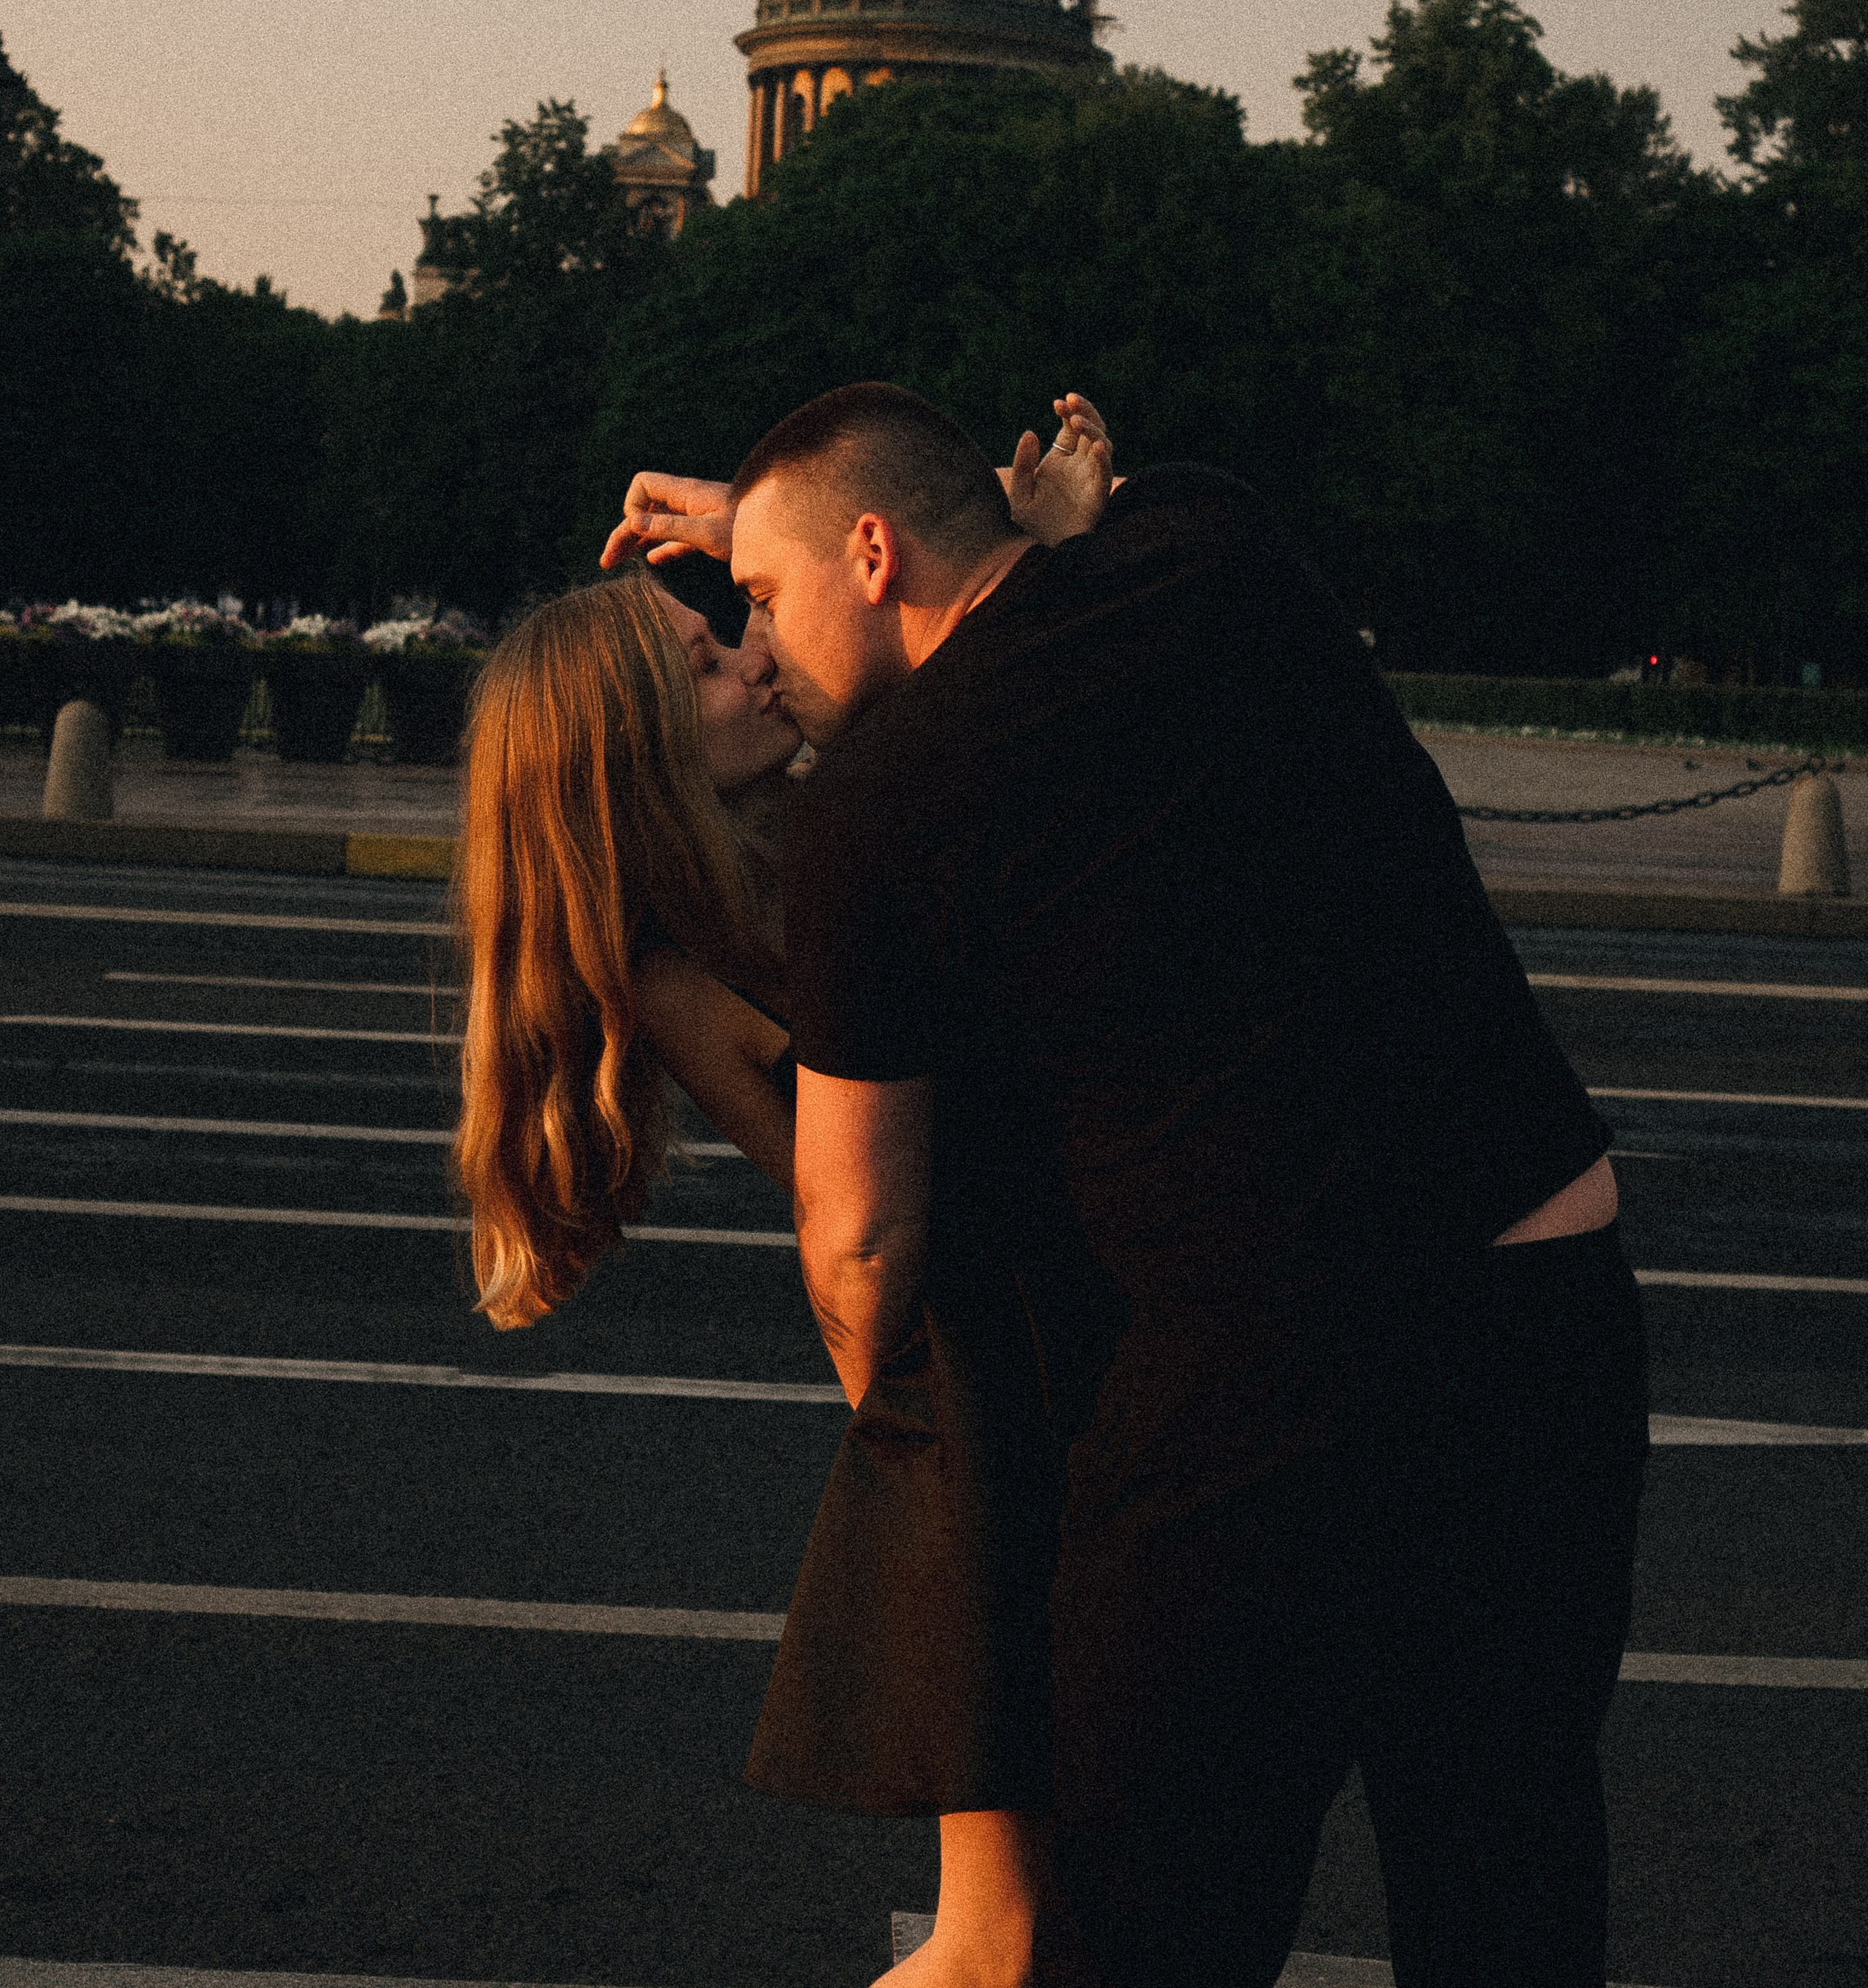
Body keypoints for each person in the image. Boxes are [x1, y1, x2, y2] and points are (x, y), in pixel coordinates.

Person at [606, 385, 1650, 1988]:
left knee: (1149, 1908)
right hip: (1542, 1309)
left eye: (761, 596)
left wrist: (916, 1426)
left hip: (1255, 1391)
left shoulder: (880, 809)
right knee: (1501, 1861)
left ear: (869, 557)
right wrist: (790, 512)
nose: (758, 643)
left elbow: (860, 1228)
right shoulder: (1217, 545)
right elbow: (1024, 519)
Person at [452, 400, 1116, 1988]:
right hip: (981, 1414)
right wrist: (1033, 552)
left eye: (737, 622)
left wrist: (777, 528)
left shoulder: (802, 849)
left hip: (1013, 1384)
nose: (753, 657)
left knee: (1060, 1927)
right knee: (999, 1943)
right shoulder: (701, 962)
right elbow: (865, 1229)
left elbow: (896, 618)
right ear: (634, 754)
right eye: (708, 660)